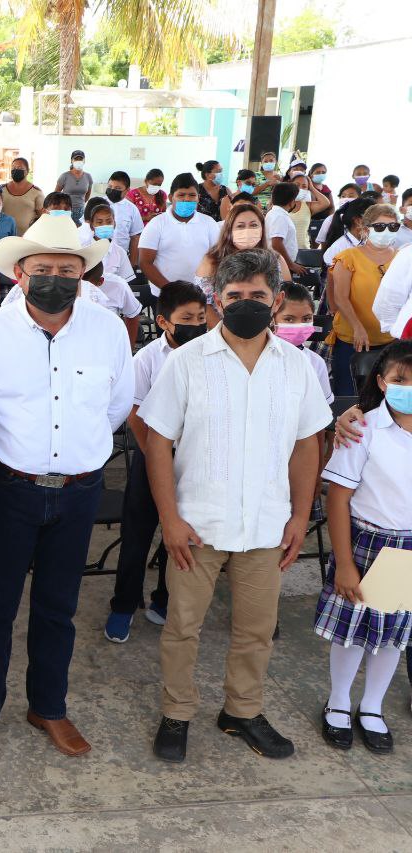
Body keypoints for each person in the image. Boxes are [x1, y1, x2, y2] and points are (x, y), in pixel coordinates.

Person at [141, 248, 331, 764]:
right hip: (197, 527)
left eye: (258, 296)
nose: (246, 303)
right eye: (235, 296)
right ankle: (177, 712)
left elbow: (306, 444)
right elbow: (157, 441)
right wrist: (170, 519)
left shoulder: (298, 368)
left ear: (276, 302)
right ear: (216, 302)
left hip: (266, 526)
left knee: (255, 631)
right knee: (183, 627)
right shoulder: (186, 362)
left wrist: (298, 515)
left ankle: (242, 711)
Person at [0, 213, 131, 762]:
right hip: (10, 492)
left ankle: (47, 707)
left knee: (59, 608)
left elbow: (117, 405)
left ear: (84, 274)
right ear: (20, 274)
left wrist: (75, 453)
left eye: (67, 268)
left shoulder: (108, 331)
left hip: (79, 492)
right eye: (43, 268)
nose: (55, 277)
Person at [316, 341, 412, 754]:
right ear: (381, 381)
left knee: (391, 635)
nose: (408, 387)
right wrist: (343, 564)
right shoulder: (363, 429)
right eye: (400, 380)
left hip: (403, 549)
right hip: (365, 540)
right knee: (352, 633)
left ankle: (371, 706)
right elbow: (337, 498)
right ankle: (339, 702)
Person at [103, 281, 208, 643]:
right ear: (164, 322)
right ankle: (123, 604)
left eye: (200, 316)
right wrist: (157, 462)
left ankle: (165, 598)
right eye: (186, 318)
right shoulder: (147, 359)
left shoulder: (211, 355)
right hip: (153, 460)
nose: (196, 323)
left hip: (194, 463)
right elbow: (135, 416)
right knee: (138, 533)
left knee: (179, 536)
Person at [329, 203, 400, 396]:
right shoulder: (347, 257)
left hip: (391, 339)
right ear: (365, 228)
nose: (386, 232)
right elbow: (340, 298)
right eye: (379, 227)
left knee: (386, 394)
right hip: (353, 339)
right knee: (347, 394)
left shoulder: (402, 259)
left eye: (393, 227)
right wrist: (357, 327)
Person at [139, 174, 220, 298]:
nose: (186, 199)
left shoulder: (209, 223)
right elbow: (145, 262)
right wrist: (171, 290)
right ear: (171, 197)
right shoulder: (156, 224)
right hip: (166, 295)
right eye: (181, 195)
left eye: (192, 195)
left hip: (202, 295)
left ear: (198, 198)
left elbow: (218, 257)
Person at [1, 157, 44, 234]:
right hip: (3, 235)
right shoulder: (1, 190)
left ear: (27, 171)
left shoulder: (36, 192)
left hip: (27, 236)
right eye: (13, 168)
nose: (16, 170)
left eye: (20, 168)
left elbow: (42, 216)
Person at [54, 151, 93, 224]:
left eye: (81, 159)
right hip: (66, 210)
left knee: (78, 232)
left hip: (80, 211)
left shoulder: (88, 176)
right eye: (76, 159)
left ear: (84, 161)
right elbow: (55, 194)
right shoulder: (65, 176)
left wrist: (81, 203)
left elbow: (88, 193)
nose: (78, 161)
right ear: (72, 161)